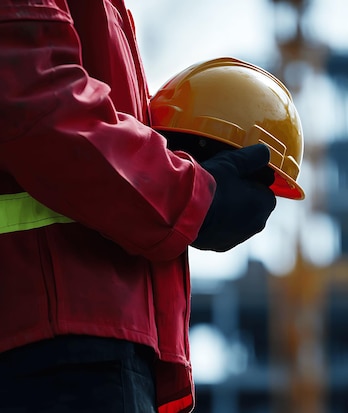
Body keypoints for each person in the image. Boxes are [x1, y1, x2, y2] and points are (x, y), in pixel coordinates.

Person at [0, 1, 280, 412]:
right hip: (57, 345)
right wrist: (194, 195)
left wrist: (174, 163)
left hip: (76, 338)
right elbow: (38, 105)